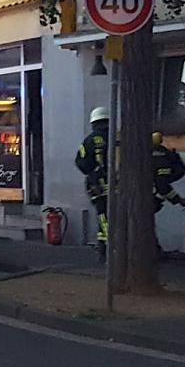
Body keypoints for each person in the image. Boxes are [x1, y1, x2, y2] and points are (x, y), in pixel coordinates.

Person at [75, 107, 109, 261]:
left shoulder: (89, 140)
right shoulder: (117, 138)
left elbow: (81, 163)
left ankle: (105, 248)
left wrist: (93, 176)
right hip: (116, 184)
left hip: (96, 186)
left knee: (103, 215)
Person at [151, 132, 185, 212]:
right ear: (182, 166)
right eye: (184, 172)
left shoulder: (165, 157)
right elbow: (162, 185)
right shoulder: (165, 164)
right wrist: (179, 200)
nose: (182, 175)